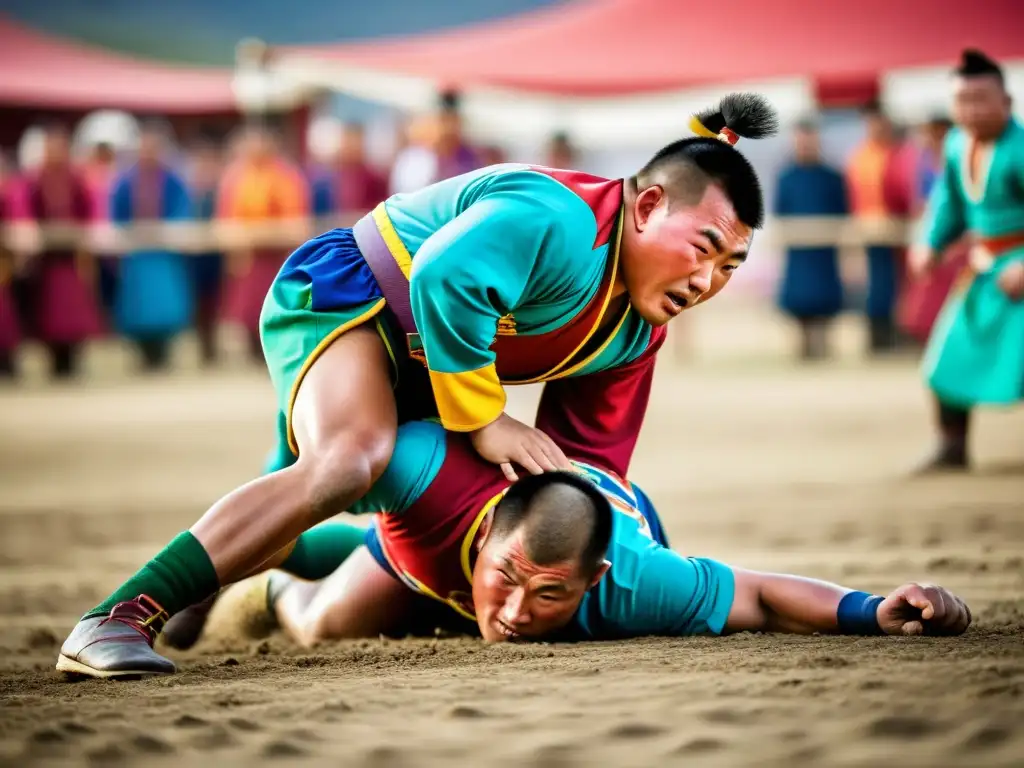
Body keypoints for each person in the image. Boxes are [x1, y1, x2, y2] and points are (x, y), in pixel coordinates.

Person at [56, 94, 779, 678]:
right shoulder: (558, 218)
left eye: (730, 267)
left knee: (342, 495)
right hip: (353, 296)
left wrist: (589, 560)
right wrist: (486, 416)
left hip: (428, 363)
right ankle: (114, 619)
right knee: (348, 461)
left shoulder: (636, 332)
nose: (707, 280)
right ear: (648, 206)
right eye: (704, 248)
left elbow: (579, 471)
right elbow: (442, 273)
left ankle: (215, 576)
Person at [163, 421, 966, 674]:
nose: (511, 614)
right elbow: (307, 469)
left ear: (596, 583)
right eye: (507, 582)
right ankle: (269, 572)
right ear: (484, 546)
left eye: (549, 595)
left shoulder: (642, 583)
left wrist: (871, 608)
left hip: (569, 524)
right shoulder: (450, 518)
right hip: (433, 551)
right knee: (320, 623)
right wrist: (238, 544)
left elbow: (757, 594)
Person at [910, 50, 1024, 472]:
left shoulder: (1021, 146)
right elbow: (948, 204)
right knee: (945, 359)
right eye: (963, 100)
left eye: (981, 99)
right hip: (985, 270)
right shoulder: (957, 144)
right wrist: (930, 245)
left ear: (1006, 103)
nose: (971, 110)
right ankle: (952, 446)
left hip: (1020, 269)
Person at [13, 124, 103, 379]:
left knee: (74, 312)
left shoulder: (76, 178)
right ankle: (54, 360)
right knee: (47, 313)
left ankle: (73, 360)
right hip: (46, 261)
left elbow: (90, 208)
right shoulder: (34, 180)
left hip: (72, 258)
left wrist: (86, 235)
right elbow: (23, 210)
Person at [217, 124, 309, 363]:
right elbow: (228, 213)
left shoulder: (285, 175)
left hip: (278, 254)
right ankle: (254, 350)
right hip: (248, 253)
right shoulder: (237, 176)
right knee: (248, 306)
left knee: (277, 300)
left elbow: (295, 213)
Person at [109, 120, 194, 371]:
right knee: (136, 307)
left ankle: (163, 354)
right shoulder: (126, 181)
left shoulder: (173, 180)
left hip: (164, 253)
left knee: (166, 305)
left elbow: (182, 210)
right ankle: (143, 355)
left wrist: (168, 231)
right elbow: (117, 213)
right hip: (136, 255)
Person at [774, 119, 848, 360]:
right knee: (799, 302)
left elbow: (843, 212)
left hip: (825, 253)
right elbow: (780, 212)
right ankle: (803, 348)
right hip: (798, 253)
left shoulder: (832, 177)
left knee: (824, 301)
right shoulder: (786, 177)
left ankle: (823, 347)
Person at [846, 105, 900, 354]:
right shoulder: (860, 158)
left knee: (895, 284)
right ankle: (877, 337)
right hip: (871, 231)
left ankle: (894, 333)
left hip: (897, 232)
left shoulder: (895, 155)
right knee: (876, 285)